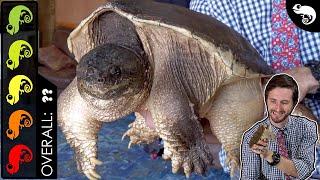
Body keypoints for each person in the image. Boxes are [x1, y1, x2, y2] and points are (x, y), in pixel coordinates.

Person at [241, 74, 318, 179]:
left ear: (294, 103)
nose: (277, 108)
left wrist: (268, 155)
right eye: (273, 101)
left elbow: (303, 170)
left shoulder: (307, 127)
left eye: (285, 102)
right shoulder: (251, 135)